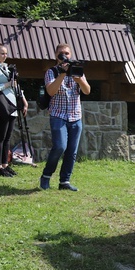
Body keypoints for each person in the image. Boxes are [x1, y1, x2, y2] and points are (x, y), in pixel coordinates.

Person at [39, 43, 91, 191]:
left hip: (75, 116)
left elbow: (87, 91)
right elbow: (50, 91)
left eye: (67, 53)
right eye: (61, 53)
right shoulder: (52, 71)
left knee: (72, 151)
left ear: (71, 54)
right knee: (60, 146)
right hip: (58, 115)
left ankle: (64, 182)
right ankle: (46, 176)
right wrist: (62, 73)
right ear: (56, 55)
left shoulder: (77, 70)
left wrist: (79, 79)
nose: (64, 56)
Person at [0, 43, 27, 177]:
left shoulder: (6, 68)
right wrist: (7, 84)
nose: (5, 56)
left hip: (11, 106)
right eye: (2, 53)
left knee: (7, 138)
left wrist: (23, 100)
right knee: (0, 137)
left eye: (6, 53)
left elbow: (16, 86)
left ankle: (5, 165)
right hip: (1, 107)